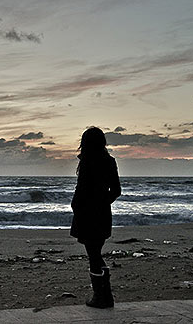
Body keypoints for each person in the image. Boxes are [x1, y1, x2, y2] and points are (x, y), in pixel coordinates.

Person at [70, 126, 121, 308]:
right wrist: (102, 203)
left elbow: (81, 189)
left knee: (93, 255)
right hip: (102, 213)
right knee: (95, 253)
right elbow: (116, 190)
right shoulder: (109, 161)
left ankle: (101, 297)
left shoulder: (87, 161)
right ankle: (105, 296)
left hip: (87, 213)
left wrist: (78, 207)